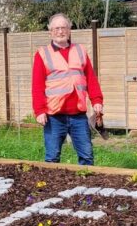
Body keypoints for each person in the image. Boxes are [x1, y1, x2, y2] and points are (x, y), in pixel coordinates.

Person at [32, 14, 104, 165]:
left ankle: (86, 187)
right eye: (56, 28)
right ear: (50, 31)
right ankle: (49, 187)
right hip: (54, 116)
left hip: (78, 115)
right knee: (52, 157)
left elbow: (91, 78)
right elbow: (37, 86)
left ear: (69, 30)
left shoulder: (80, 50)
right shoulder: (42, 54)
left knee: (87, 156)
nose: (60, 31)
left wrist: (97, 100)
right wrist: (39, 110)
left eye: (63, 27)